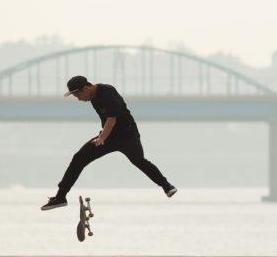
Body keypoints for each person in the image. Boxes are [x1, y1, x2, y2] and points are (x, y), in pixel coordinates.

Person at [40, 75, 176, 210]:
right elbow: (107, 122)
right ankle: (60, 197)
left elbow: (112, 119)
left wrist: (102, 138)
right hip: (109, 136)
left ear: (86, 88)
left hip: (127, 135)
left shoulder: (108, 92)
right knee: (79, 158)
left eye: (78, 96)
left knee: (138, 160)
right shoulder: (92, 98)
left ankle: (167, 186)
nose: (79, 99)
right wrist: (103, 137)